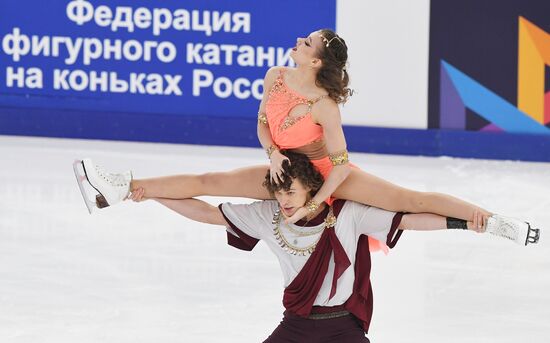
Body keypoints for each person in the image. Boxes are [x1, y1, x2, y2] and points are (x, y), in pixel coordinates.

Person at [73, 29, 539, 249]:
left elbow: (338, 163)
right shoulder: (275, 75)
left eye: (308, 42)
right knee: (209, 178)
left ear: (316, 62)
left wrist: (321, 201)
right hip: (285, 167)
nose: (299, 40)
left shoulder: (324, 105)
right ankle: (119, 188)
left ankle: (494, 221)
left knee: (408, 199)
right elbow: (261, 123)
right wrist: (273, 152)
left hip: (323, 174)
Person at [135, 150, 530, 342]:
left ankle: (492, 220)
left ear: (313, 189)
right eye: (279, 193)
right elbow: (205, 213)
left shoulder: (349, 214)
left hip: (343, 328)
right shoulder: (266, 216)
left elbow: (409, 219)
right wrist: (151, 195)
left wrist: (465, 224)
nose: (285, 200)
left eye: (291, 191)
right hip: (296, 326)